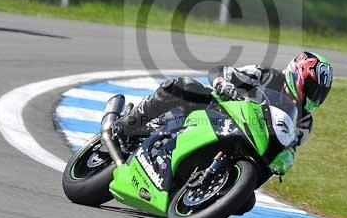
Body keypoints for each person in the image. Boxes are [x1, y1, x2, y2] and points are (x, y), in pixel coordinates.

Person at [115, 51, 334, 176]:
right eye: (313, 89)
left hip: (251, 144)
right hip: (218, 111)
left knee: (246, 203)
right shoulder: (265, 75)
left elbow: (290, 147)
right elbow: (221, 72)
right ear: (298, 76)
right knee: (182, 86)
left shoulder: (304, 121)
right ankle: (128, 124)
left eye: (320, 94)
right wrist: (222, 83)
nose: (315, 98)